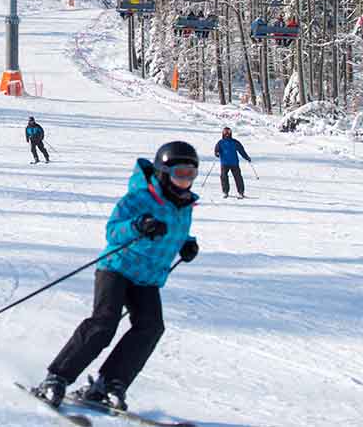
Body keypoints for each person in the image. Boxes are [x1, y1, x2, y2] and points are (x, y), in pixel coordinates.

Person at [35, 141, 200, 411]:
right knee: (104, 324)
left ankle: (109, 383)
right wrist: (138, 225)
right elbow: (113, 231)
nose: (185, 181)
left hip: (147, 278)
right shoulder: (138, 198)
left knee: (151, 327)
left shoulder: (184, 206)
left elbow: (176, 231)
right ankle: (56, 379)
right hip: (117, 268)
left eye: (190, 175)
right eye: (180, 174)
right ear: (162, 172)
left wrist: (186, 243)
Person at [214, 126, 252, 199]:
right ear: (223, 133)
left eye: (229, 132)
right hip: (224, 163)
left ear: (231, 133)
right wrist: (217, 153)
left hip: (234, 163)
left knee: (238, 177)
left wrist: (246, 157)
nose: (227, 134)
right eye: (225, 132)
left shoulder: (235, 142)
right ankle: (225, 192)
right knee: (223, 177)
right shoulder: (220, 142)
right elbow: (216, 150)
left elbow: (241, 151)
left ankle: (241, 192)